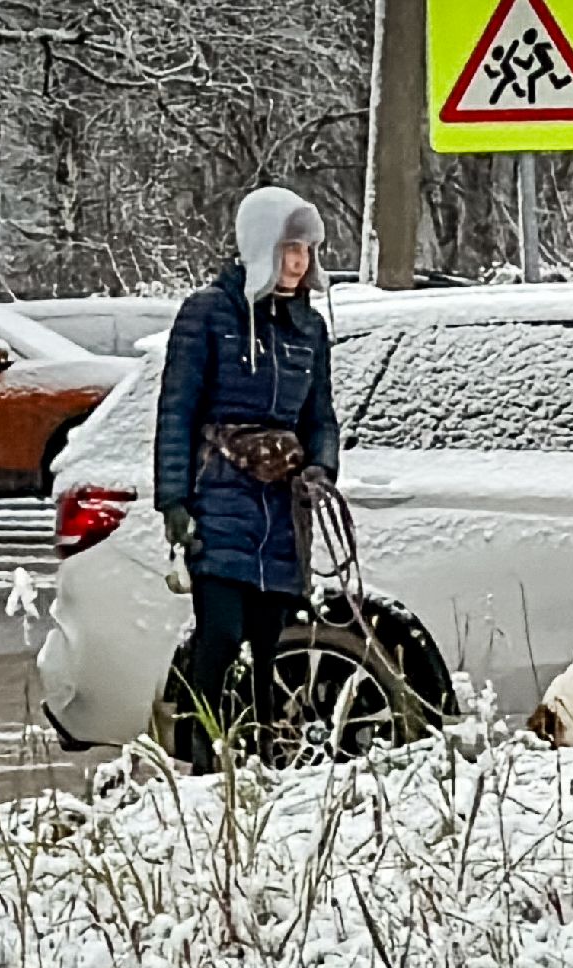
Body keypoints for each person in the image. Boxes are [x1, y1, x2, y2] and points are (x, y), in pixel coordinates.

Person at [153, 186, 341, 773]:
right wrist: (174, 501)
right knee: (220, 637)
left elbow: (321, 416)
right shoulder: (208, 314)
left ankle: (265, 760)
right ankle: (201, 761)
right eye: (288, 248)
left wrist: (320, 467)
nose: (298, 262)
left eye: (306, 250)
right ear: (261, 247)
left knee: (273, 643)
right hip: (220, 500)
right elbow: (176, 411)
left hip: (282, 511)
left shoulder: (308, 327)